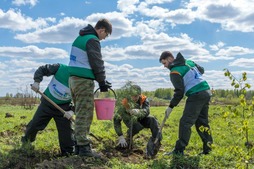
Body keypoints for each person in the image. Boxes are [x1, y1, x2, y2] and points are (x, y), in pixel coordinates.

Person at [68, 18, 112, 157]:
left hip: (74, 80)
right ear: (102, 30)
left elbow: (85, 62)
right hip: (83, 81)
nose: (104, 38)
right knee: (85, 114)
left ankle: (79, 148)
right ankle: (84, 148)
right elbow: (96, 61)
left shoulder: (80, 38)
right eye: (106, 35)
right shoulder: (92, 39)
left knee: (80, 112)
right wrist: (102, 82)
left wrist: (101, 80)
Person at [159, 51, 213, 155]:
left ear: (170, 59)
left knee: (185, 123)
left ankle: (179, 150)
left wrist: (170, 107)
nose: (164, 66)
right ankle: (208, 148)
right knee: (202, 122)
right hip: (206, 91)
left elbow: (179, 92)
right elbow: (202, 70)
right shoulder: (189, 62)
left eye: (164, 63)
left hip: (196, 94)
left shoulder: (175, 72)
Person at [21, 63, 75, 157]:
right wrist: (36, 82)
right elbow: (42, 69)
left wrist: (72, 111)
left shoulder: (81, 81)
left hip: (63, 109)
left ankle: (67, 153)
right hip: (47, 103)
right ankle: (26, 141)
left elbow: (83, 98)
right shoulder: (60, 68)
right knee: (35, 124)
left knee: (67, 134)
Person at [113, 84, 161, 155]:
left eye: (136, 96)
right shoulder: (124, 101)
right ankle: (128, 137)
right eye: (132, 95)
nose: (134, 98)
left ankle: (155, 142)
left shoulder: (143, 99)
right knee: (137, 125)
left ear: (139, 94)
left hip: (141, 117)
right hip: (129, 119)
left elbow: (147, 110)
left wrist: (139, 111)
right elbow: (116, 119)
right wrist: (120, 136)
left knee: (152, 120)